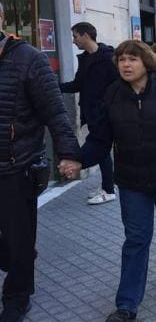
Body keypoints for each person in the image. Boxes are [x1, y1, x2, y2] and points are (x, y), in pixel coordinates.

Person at [60, 40, 156, 322]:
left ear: (146, 63)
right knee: (136, 239)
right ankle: (127, 304)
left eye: (132, 59)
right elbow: (100, 138)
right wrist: (80, 160)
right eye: (121, 60)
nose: (126, 64)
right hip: (131, 182)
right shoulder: (112, 95)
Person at [0, 1, 81, 322]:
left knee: (19, 237)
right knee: (14, 247)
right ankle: (19, 262)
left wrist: (69, 154)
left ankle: (18, 294)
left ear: (2, 17)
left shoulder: (28, 58)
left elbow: (55, 112)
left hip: (16, 167)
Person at [60, 22, 118, 205]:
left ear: (86, 36)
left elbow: (118, 86)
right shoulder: (84, 59)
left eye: (75, 36)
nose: (73, 40)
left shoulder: (109, 57)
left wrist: (106, 108)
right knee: (103, 152)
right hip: (90, 113)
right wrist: (54, 86)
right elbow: (77, 84)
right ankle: (109, 185)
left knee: (99, 149)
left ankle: (109, 189)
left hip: (105, 115)